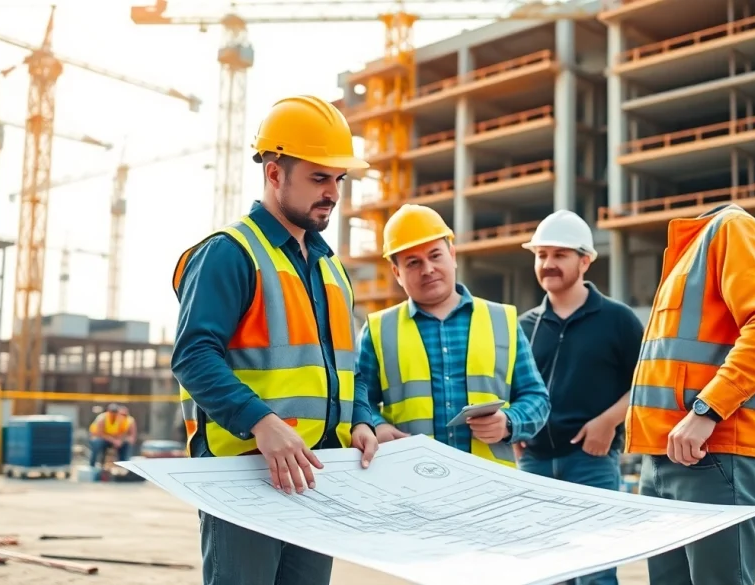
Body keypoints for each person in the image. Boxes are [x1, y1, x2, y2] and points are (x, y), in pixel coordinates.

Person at [170, 94, 380, 585]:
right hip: (243, 473)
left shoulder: (331, 268)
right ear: (274, 173)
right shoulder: (229, 253)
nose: (332, 192)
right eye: (318, 177)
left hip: (316, 476)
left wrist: (363, 419)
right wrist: (261, 422)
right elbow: (193, 356)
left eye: (338, 180)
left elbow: (347, 369)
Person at [626, 203, 755, 585]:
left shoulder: (731, 229)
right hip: (664, 454)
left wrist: (706, 411)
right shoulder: (688, 250)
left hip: (714, 451)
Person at [355, 204, 550, 466]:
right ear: (396, 273)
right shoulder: (378, 330)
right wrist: (375, 426)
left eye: (435, 255)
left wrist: (509, 422)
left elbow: (537, 398)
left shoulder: (502, 320)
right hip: (410, 480)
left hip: (489, 485)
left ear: (453, 255)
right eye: (413, 262)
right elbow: (356, 399)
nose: (427, 269)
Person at [517, 210, 643, 585]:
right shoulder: (524, 326)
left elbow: (647, 382)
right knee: (543, 571)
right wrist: (518, 427)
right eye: (541, 255)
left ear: (585, 260)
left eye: (560, 255)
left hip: (591, 463)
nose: (548, 264)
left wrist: (609, 421)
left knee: (596, 572)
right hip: (535, 465)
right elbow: (514, 389)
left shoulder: (618, 320)